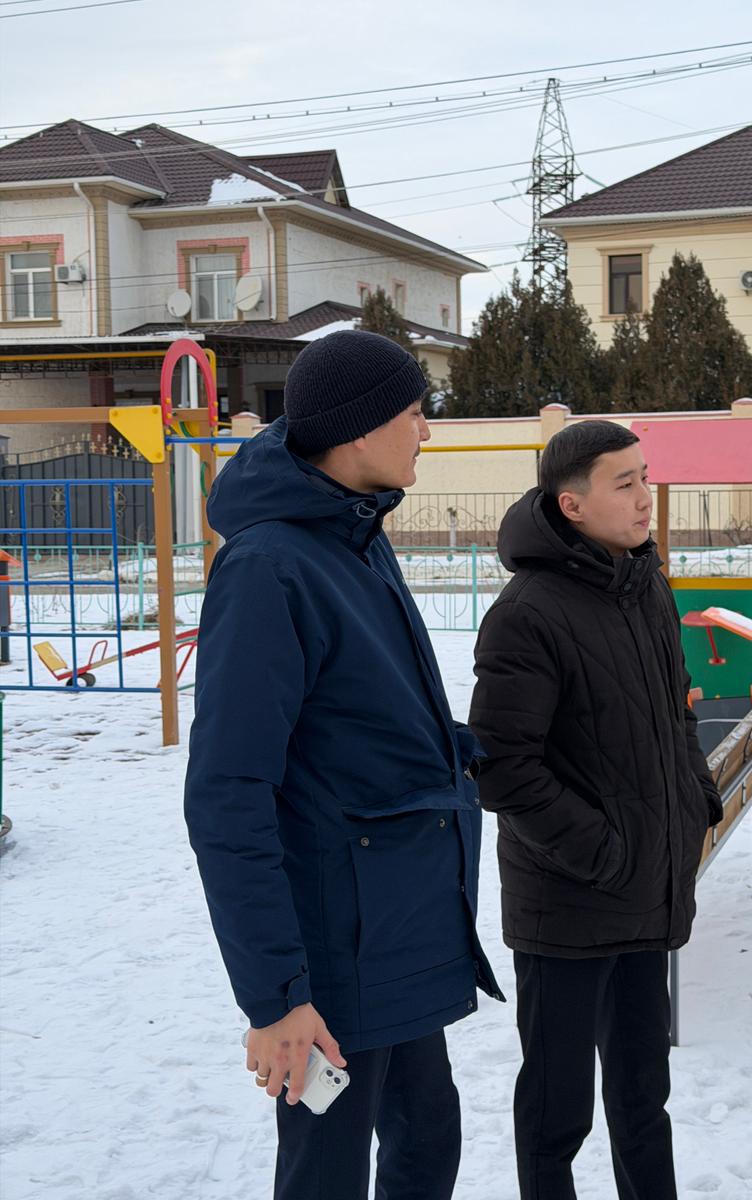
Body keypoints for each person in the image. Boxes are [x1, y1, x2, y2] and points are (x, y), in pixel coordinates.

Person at [184, 330, 502, 1200]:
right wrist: (278, 998)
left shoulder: (356, 533)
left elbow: (365, 725)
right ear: (359, 429)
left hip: (401, 926)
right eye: (415, 413)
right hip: (337, 953)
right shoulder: (268, 568)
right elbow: (227, 795)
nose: (426, 432)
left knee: (428, 1147)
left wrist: (475, 752)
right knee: (327, 1175)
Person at [468, 419, 722, 1200]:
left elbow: (675, 714)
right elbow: (502, 768)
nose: (646, 498)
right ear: (572, 505)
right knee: (558, 1117)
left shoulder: (645, 585)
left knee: (645, 1103)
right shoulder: (527, 613)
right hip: (569, 910)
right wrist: (603, 853)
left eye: (645, 477)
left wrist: (694, 801)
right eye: (625, 483)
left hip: (644, 894)